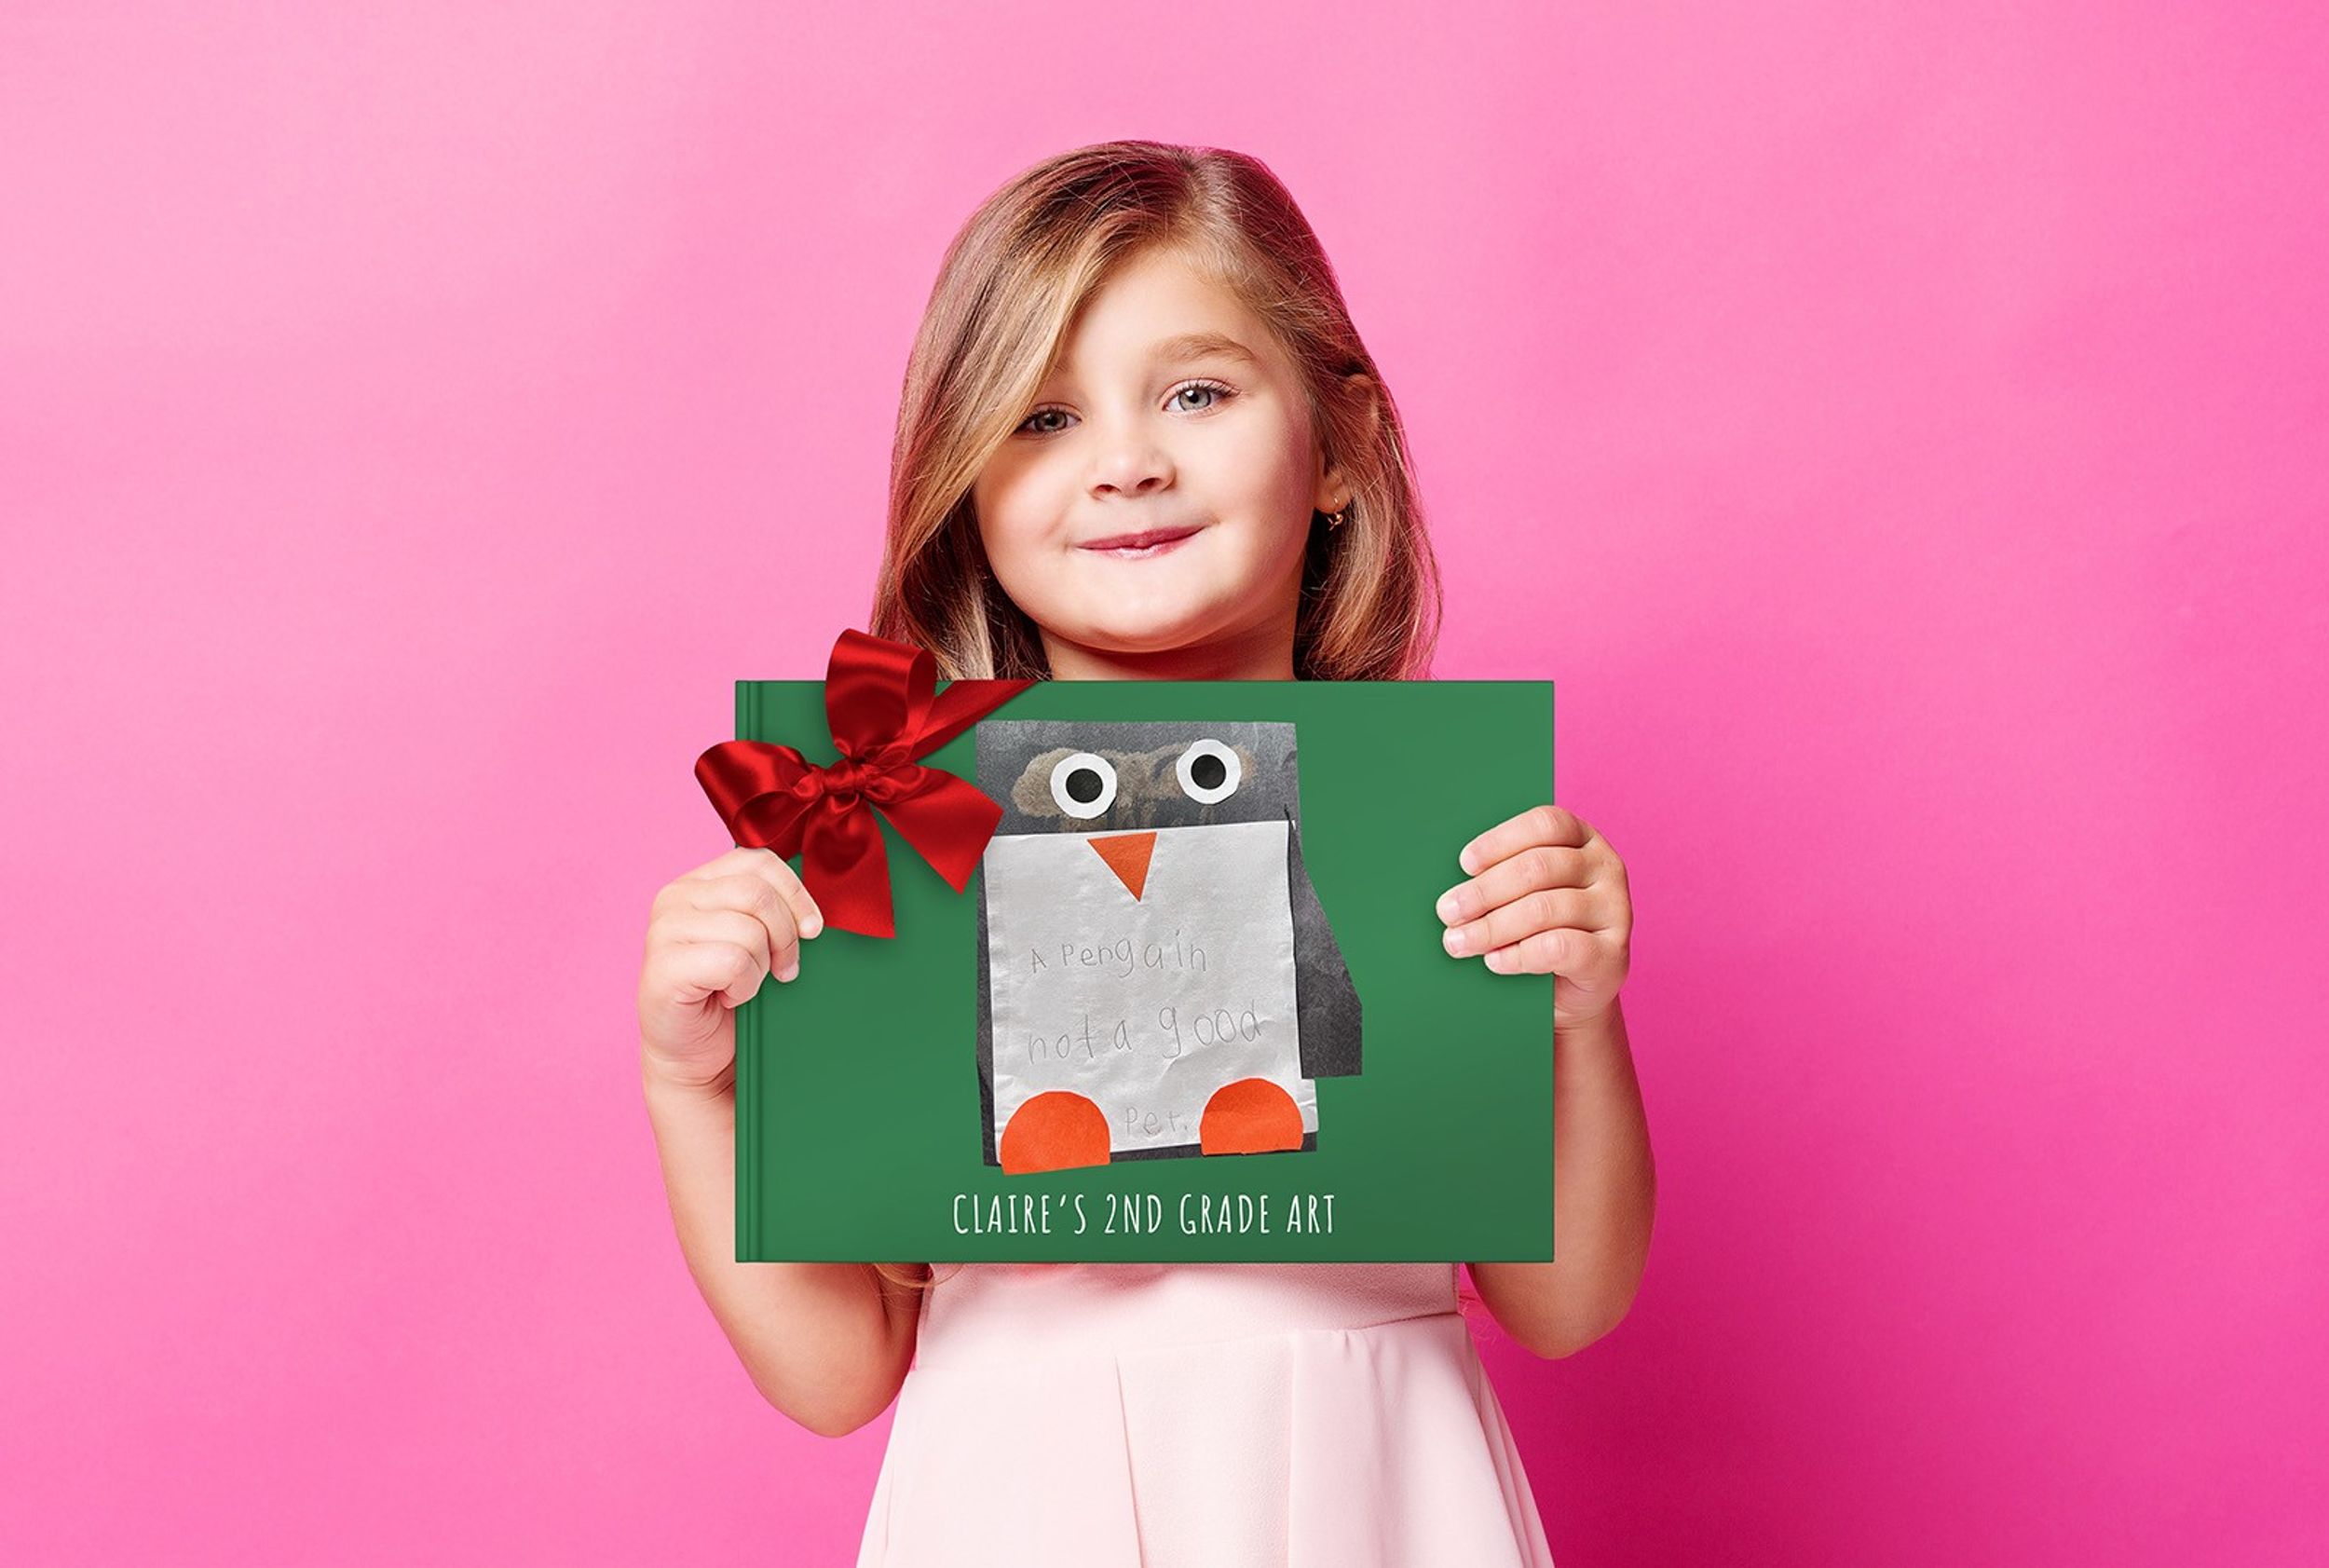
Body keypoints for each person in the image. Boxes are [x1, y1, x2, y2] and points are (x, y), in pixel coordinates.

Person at [636, 140, 1654, 1567]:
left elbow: (1570, 1302)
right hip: (1010, 1501)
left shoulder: (1445, 838)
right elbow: (835, 1373)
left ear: (1343, 447)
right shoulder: (886, 839)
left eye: (1195, 392)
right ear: (963, 484)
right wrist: (697, 1090)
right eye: (1042, 417)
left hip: (1381, 1497)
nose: (1127, 462)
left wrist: (1579, 1017)